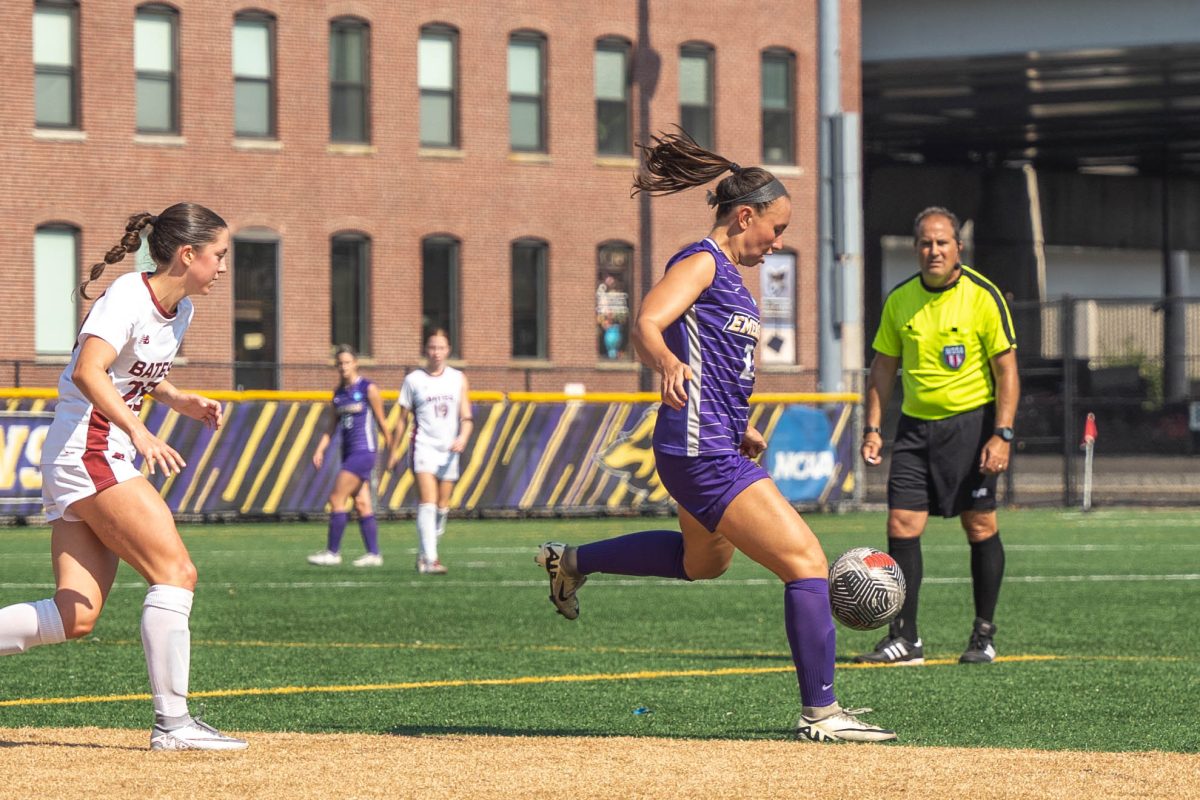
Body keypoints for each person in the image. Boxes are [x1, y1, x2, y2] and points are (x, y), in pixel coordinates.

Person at [534, 130, 895, 743]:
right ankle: (822, 712)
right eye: (775, 230)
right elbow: (649, 320)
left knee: (700, 563)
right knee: (807, 564)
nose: (778, 243)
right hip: (701, 456)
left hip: (710, 444)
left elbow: (719, 364)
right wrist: (665, 365)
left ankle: (571, 561)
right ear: (745, 215)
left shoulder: (732, 277)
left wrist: (741, 423)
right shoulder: (702, 261)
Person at [0, 203, 246, 750]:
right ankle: (173, 724)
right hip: (89, 452)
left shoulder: (179, 309)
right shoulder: (128, 297)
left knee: (75, 614)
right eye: (219, 255)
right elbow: (89, 370)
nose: (223, 267)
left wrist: (181, 401)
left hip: (84, 456)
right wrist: (138, 431)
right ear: (188, 255)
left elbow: (139, 372)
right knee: (176, 572)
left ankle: (174, 724)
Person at [857, 206, 1019, 666]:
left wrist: (1002, 434)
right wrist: (873, 428)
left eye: (942, 243)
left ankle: (983, 635)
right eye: (926, 243)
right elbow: (883, 367)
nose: (934, 251)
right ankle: (904, 639)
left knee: (980, 524)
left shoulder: (983, 297)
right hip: (914, 429)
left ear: (958, 249)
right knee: (901, 526)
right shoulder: (900, 300)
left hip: (973, 427)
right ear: (916, 249)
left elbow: (1006, 371)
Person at [388, 329, 472, 575]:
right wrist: (394, 450)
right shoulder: (413, 380)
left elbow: (466, 417)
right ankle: (432, 560)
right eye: (432, 347)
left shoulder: (458, 378)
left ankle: (425, 552)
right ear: (426, 350)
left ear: (448, 351)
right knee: (428, 502)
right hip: (423, 447)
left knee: (442, 507)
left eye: (441, 347)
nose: (436, 352)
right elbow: (402, 420)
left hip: (449, 451)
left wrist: (463, 438)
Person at [307, 346, 390, 567]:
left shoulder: (368, 388)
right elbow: (331, 427)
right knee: (362, 503)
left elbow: (382, 423)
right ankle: (374, 554)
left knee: (336, 498)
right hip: (348, 453)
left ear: (355, 364)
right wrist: (320, 449)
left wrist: (393, 450)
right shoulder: (338, 394)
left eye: (347, 362)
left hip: (364, 453)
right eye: (340, 363)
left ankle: (333, 553)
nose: (343, 367)